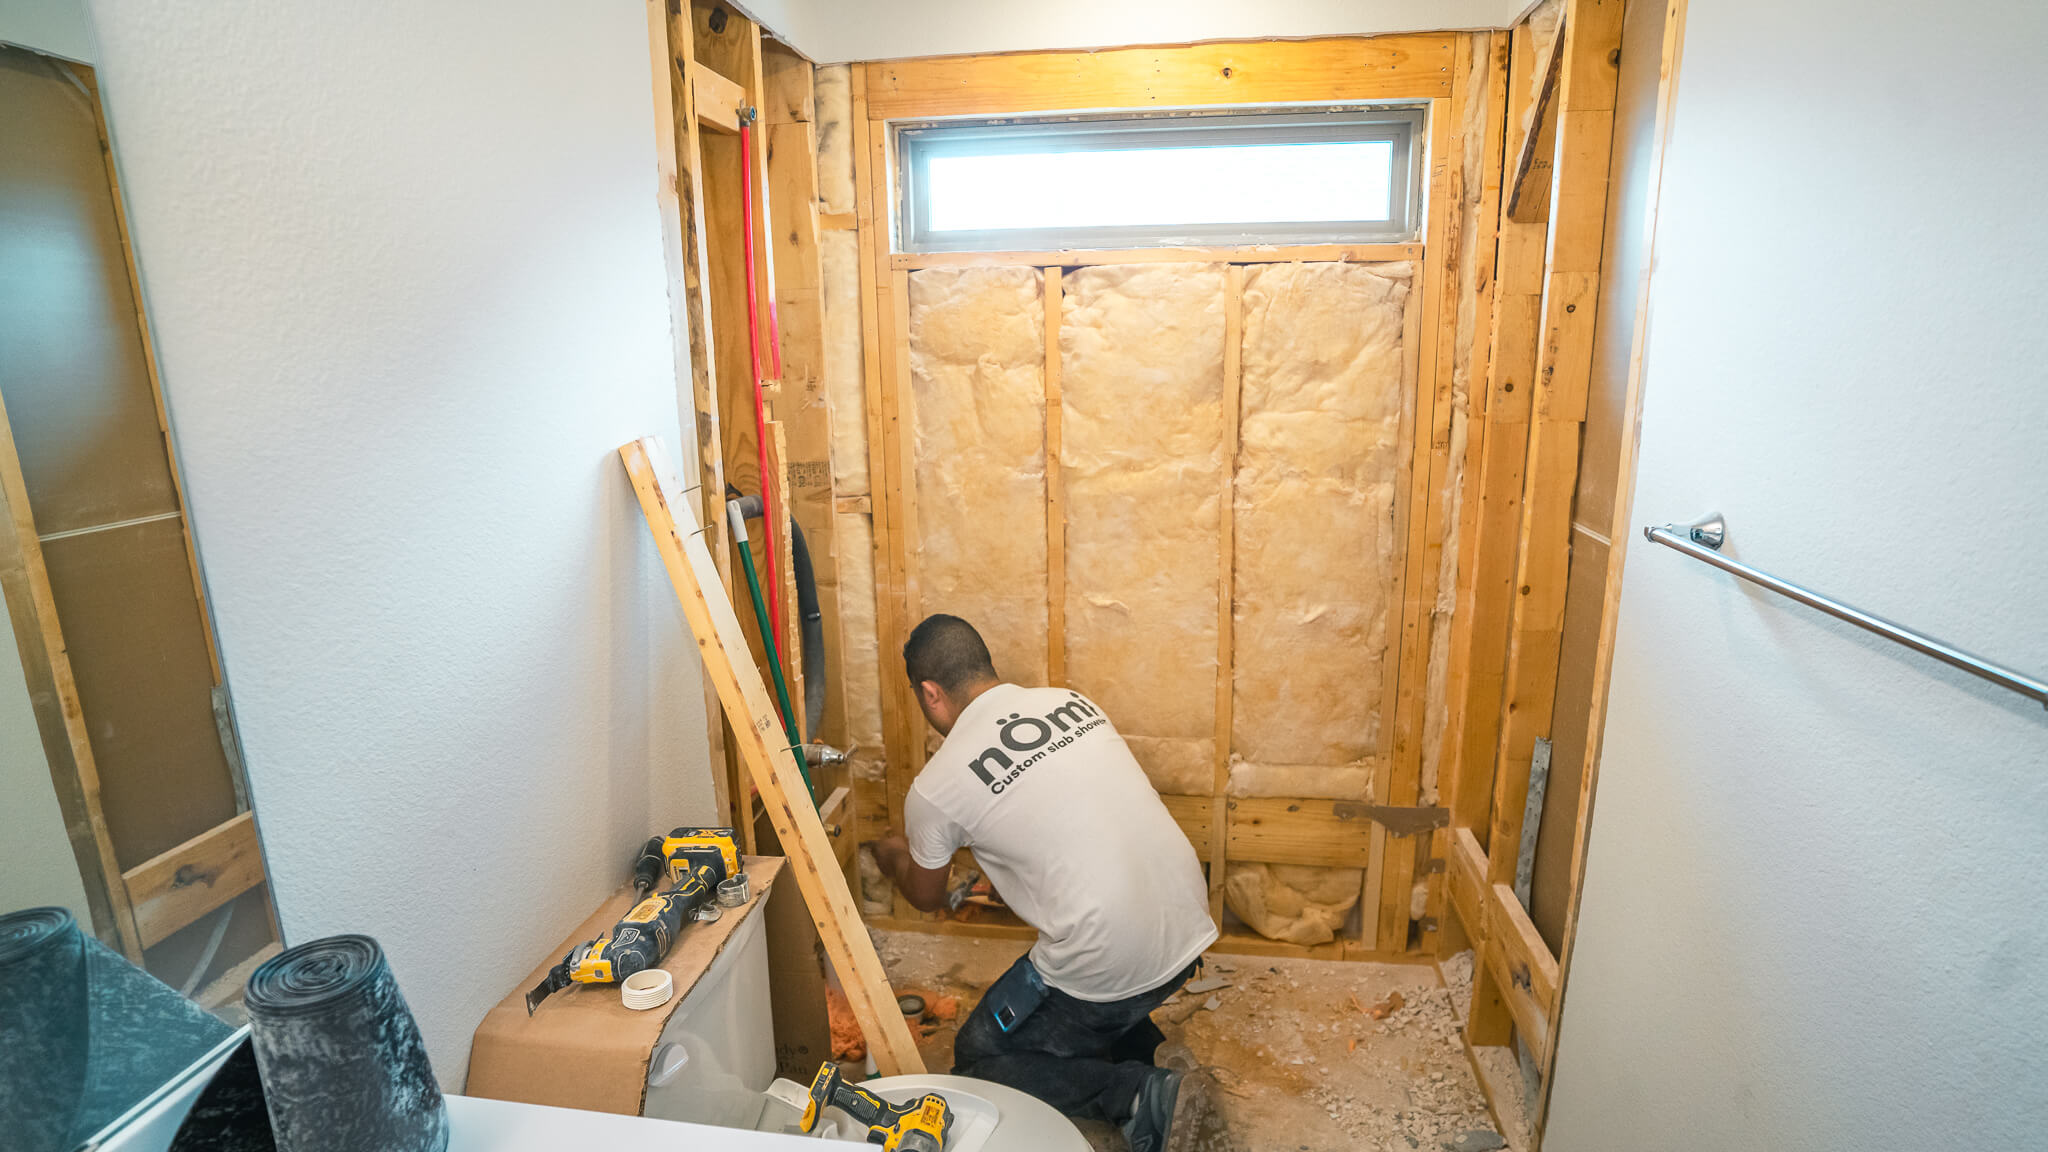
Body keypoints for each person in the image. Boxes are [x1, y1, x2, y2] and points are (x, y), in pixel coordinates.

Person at [871, 614, 1218, 1152]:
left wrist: (894, 854)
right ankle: (1146, 1050)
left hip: (1111, 957)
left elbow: (926, 896)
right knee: (1082, 1003)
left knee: (981, 1059)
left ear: (930, 692)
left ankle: (1141, 1095)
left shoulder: (936, 787)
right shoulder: (1071, 702)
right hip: (1188, 926)